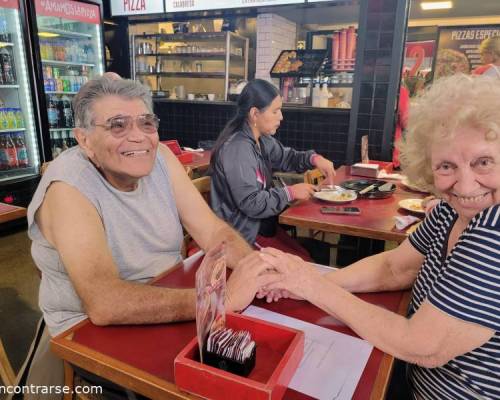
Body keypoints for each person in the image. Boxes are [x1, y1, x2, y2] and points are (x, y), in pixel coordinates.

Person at [23, 76, 276, 397]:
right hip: (87, 337)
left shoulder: (161, 159)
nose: (138, 138)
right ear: (84, 140)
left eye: (146, 123)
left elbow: (212, 230)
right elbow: (105, 304)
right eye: (117, 125)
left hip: (167, 304)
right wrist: (221, 301)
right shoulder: (68, 189)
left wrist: (258, 269)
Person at [258, 74, 500, 399]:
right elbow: (395, 268)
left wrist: (312, 285)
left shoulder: (492, 229)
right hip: (410, 377)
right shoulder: (449, 210)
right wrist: (305, 286)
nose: (465, 185)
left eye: (483, 162)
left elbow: (423, 345)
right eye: (446, 166)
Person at [210, 79, 335, 255]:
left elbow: (287, 157)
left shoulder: (261, 140)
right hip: (240, 238)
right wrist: (290, 193)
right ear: (254, 114)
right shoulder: (237, 149)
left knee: (313, 254)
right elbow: (250, 203)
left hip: (259, 228)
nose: (281, 116)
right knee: (305, 260)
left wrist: (314, 159)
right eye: (275, 111)